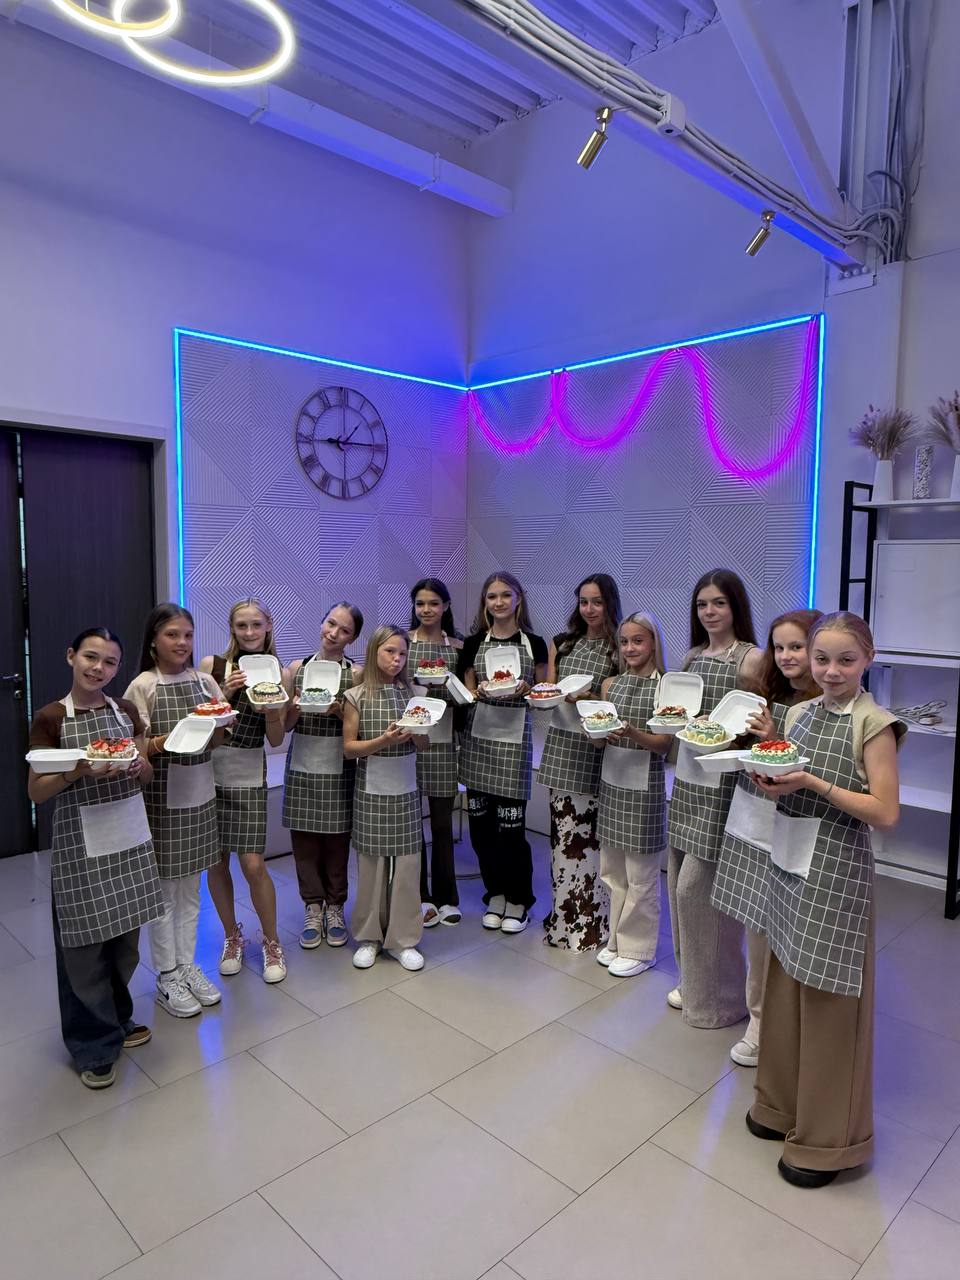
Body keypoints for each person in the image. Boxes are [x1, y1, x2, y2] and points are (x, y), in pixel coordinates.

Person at [745, 612, 904, 1188]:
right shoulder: (799, 713)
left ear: (868, 659)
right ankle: (779, 1105)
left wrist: (812, 782)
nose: (831, 671)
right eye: (821, 659)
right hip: (790, 861)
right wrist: (767, 768)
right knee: (785, 985)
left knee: (833, 1003)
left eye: (845, 660)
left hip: (838, 872)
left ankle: (827, 1143)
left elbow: (885, 812)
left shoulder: (874, 724)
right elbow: (784, 776)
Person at [28, 627, 164, 1089]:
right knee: (83, 950)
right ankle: (92, 1043)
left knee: (125, 945)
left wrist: (141, 766)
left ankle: (118, 1018)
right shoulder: (51, 718)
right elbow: (36, 791)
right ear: (71, 656)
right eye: (90, 657)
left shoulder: (125, 711)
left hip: (129, 839)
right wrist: (78, 769)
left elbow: (145, 774)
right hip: (81, 847)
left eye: (109, 662)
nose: (98, 668)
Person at [711, 609, 822, 1067]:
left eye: (797, 646)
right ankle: (758, 1023)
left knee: (792, 932)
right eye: (779, 647)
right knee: (756, 929)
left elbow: (820, 769)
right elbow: (747, 752)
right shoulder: (766, 697)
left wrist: (776, 739)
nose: (786, 656)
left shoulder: (828, 706)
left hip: (799, 831)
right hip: (753, 822)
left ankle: (793, 1028)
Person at [666, 569, 764, 1028]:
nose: (709, 612)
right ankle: (693, 982)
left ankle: (722, 998)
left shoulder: (752, 659)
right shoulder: (691, 657)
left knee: (700, 893)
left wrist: (725, 732)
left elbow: (759, 725)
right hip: (687, 781)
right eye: (702, 604)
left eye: (719, 603)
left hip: (724, 786)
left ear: (735, 606)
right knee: (678, 887)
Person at [125, 604, 225, 1017]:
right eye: (172, 635)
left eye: (187, 634)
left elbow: (219, 736)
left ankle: (187, 966)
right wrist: (172, 738)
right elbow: (135, 748)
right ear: (153, 640)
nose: (182, 643)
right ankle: (167, 976)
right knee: (165, 893)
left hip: (201, 796)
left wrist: (217, 727)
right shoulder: (142, 686)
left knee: (192, 890)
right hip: (161, 801)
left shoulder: (205, 681)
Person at [199, 599, 287, 984]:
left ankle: (272, 941)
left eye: (256, 625)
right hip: (209, 773)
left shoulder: (278, 672)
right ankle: (232, 936)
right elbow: (199, 724)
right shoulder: (212, 666)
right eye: (241, 626)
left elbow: (276, 738)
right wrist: (222, 692)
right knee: (216, 862)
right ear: (231, 628)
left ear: (268, 625)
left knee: (253, 864)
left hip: (249, 772)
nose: (249, 632)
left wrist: (272, 711)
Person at [458, 573, 548, 933]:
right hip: (478, 744)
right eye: (492, 596)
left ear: (518, 599)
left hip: (514, 746)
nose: (498, 602)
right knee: (481, 830)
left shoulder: (534, 644)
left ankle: (519, 899)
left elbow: (543, 694)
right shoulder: (473, 643)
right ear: (485, 602)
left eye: (505, 595)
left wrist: (528, 688)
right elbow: (467, 694)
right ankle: (494, 893)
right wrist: (477, 691)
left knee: (511, 829)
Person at [539, 574, 622, 951]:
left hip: (595, 750)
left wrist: (592, 700)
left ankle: (592, 924)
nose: (589, 609)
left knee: (590, 843)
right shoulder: (563, 642)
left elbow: (621, 703)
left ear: (610, 604)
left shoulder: (619, 647)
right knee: (562, 840)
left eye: (597, 602)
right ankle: (563, 919)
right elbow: (550, 691)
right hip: (561, 748)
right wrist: (551, 695)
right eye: (584, 601)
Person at [342, 626, 429, 971]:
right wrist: (384, 741)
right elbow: (350, 749)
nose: (396, 659)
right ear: (374, 651)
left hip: (406, 792)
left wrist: (417, 732)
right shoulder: (356, 696)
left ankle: (403, 939)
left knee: (407, 868)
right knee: (371, 869)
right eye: (389, 652)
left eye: (402, 654)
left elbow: (424, 745)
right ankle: (369, 938)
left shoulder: (415, 695)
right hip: (370, 792)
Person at [594, 613, 672, 977]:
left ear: (654, 643)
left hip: (645, 790)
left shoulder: (665, 687)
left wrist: (631, 733)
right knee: (613, 871)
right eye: (624, 642)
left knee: (641, 874)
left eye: (638, 641)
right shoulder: (611, 685)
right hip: (612, 784)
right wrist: (598, 734)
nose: (630, 648)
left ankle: (639, 950)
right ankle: (616, 940)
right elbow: (599, 739)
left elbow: (664, 745)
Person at [282, 603, 363, 949]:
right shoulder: (295, 669)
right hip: (302, 763)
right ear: (321, 623)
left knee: (337, 843)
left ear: (352, 638)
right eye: (331, 623)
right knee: (304, 844)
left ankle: (336, 907)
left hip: (339, 767)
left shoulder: (356, 675)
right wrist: (294, 707)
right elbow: (286, 726)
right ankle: (313, 908)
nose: (334, 633)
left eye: (344, 630)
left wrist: (340, 710)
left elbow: (360, 727)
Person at [407, 578, 463, 927]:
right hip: (409, 742)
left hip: (444, 742)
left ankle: (447, 898)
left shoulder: (457, 646)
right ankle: (419, 896)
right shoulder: (402, 643)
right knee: (413, 824)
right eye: (420, 604)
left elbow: (467, 696)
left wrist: (447, 685)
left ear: (445, 606)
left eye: (433, 603)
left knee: (442, 824)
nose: (426, 610)